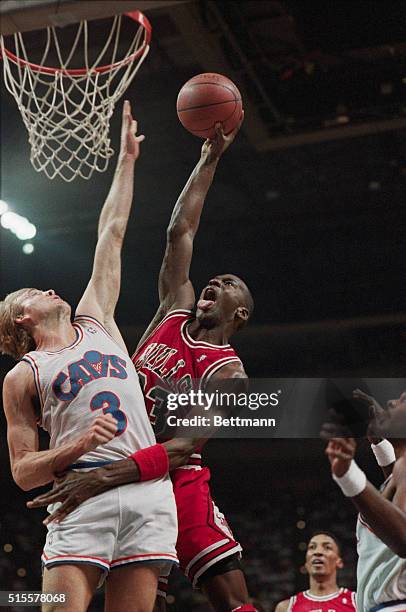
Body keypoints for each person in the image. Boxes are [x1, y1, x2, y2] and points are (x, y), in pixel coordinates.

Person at [29, 116, 258, 612]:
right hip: (116, 468)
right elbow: (180, 231)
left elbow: (181, 448)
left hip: (172, 479)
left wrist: (103, 477)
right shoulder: (172, 313)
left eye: (230, 283)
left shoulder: (229, 374)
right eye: (213, 278)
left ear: (238, 314)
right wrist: (208, 158)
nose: (215, 280)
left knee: (233, 600)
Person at [0, 102, 179, 612]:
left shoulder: (96, 317)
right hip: (83, 490)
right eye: (36, 291)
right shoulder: (23, 375)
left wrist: (127, 161)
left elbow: (112, 232)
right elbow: (24, 472)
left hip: (145, 486)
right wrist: (76, 444)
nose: (51, 288)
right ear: (21, 319)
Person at [324, 389, 406, 612]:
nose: (390, 400)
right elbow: (394, 495)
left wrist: (348, 474)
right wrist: (378, 442)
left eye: (403, 400)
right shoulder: (400, 471)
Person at [275, 532, 356, 612]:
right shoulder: (286, 607)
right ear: (306, 563)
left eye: (327, 547)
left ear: (339, 562)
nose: (317, 552)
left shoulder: (357, 602)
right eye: (312, 547)